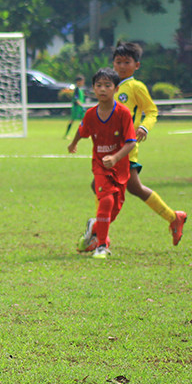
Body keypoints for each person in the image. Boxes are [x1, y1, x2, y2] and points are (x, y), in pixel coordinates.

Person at [111, 41, 188, 245]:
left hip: (125, 147)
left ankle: (98, 233)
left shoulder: (136, 87)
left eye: (126, 62)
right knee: (133, 188)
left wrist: (144, 127)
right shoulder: (110, 86)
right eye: (118, 62)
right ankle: (174, 217)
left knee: (101, 186)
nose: (121, 66)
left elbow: (152, 111)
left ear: (137, 65)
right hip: (110, 147)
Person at [68, 68, 137, 259]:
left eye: (108, 85)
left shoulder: (123, 113)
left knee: (113, 211)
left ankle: (94, 226)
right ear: (93, 89)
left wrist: (115, 158)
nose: (103, 89)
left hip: (120, 168)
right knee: (105, 200)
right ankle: (101, 246)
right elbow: (82, 131)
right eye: (99, 85)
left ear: (115, 89)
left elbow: (131, 142)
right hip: (100, 166)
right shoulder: (90, 114)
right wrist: (73, 143)